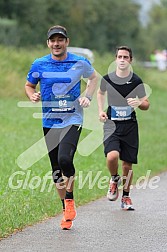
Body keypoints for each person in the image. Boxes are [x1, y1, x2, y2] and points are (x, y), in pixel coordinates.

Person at [25, 25, 97, 229]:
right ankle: (65, 211)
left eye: (60, 40)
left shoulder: (79, 62)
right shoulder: (39, 64)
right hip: (49, 121)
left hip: (72, 119)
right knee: (56, 170)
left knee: (65, 159)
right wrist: (32, 95)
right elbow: (29, 85)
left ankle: (70, 200)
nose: (56, 44)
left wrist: (87, 96)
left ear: (67, 41)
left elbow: (93, 79)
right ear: (48, 43)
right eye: (53, 40)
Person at [97, 46, 149, 210]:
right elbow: (100, 93)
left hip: (129, 126)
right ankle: (114, 179)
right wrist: (100, 110)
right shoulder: (107, 79)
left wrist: (139, 103)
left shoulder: (136, 81)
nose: (122, 59)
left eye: (125, 57)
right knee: (112, 157)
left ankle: (126, 196)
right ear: (115, 59)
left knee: (127, 165)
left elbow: (146, 104)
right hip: (111, 125)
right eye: (119, 56)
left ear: (130, 60)